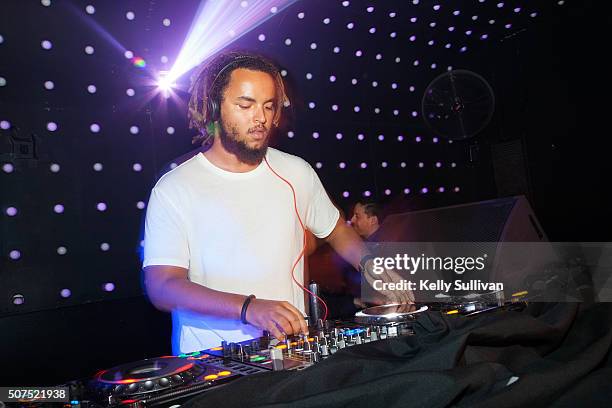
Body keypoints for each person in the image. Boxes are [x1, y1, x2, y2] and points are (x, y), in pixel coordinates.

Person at [142, 51, 411, 354]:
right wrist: (249, 308)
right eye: (245, 105)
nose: (261, 118)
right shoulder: (175, 188)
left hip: (294, 350)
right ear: (214, 107)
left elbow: (336, 230)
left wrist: (371, 264)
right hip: (215, 361)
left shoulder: (296, 171)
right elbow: (162, 287)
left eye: (269, 106)